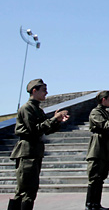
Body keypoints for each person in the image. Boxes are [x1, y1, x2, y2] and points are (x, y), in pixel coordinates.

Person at [8, 79, 69, 210]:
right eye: (43, 90)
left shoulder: (37, 109)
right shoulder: (27, 108)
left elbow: (46, 129)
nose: (46, 93)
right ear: (34, 91)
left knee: (30, 190)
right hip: (27, 151)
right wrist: (53, 119)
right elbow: (34, 129)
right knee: (25, 190)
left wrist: (57, 121)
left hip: (34, 151)